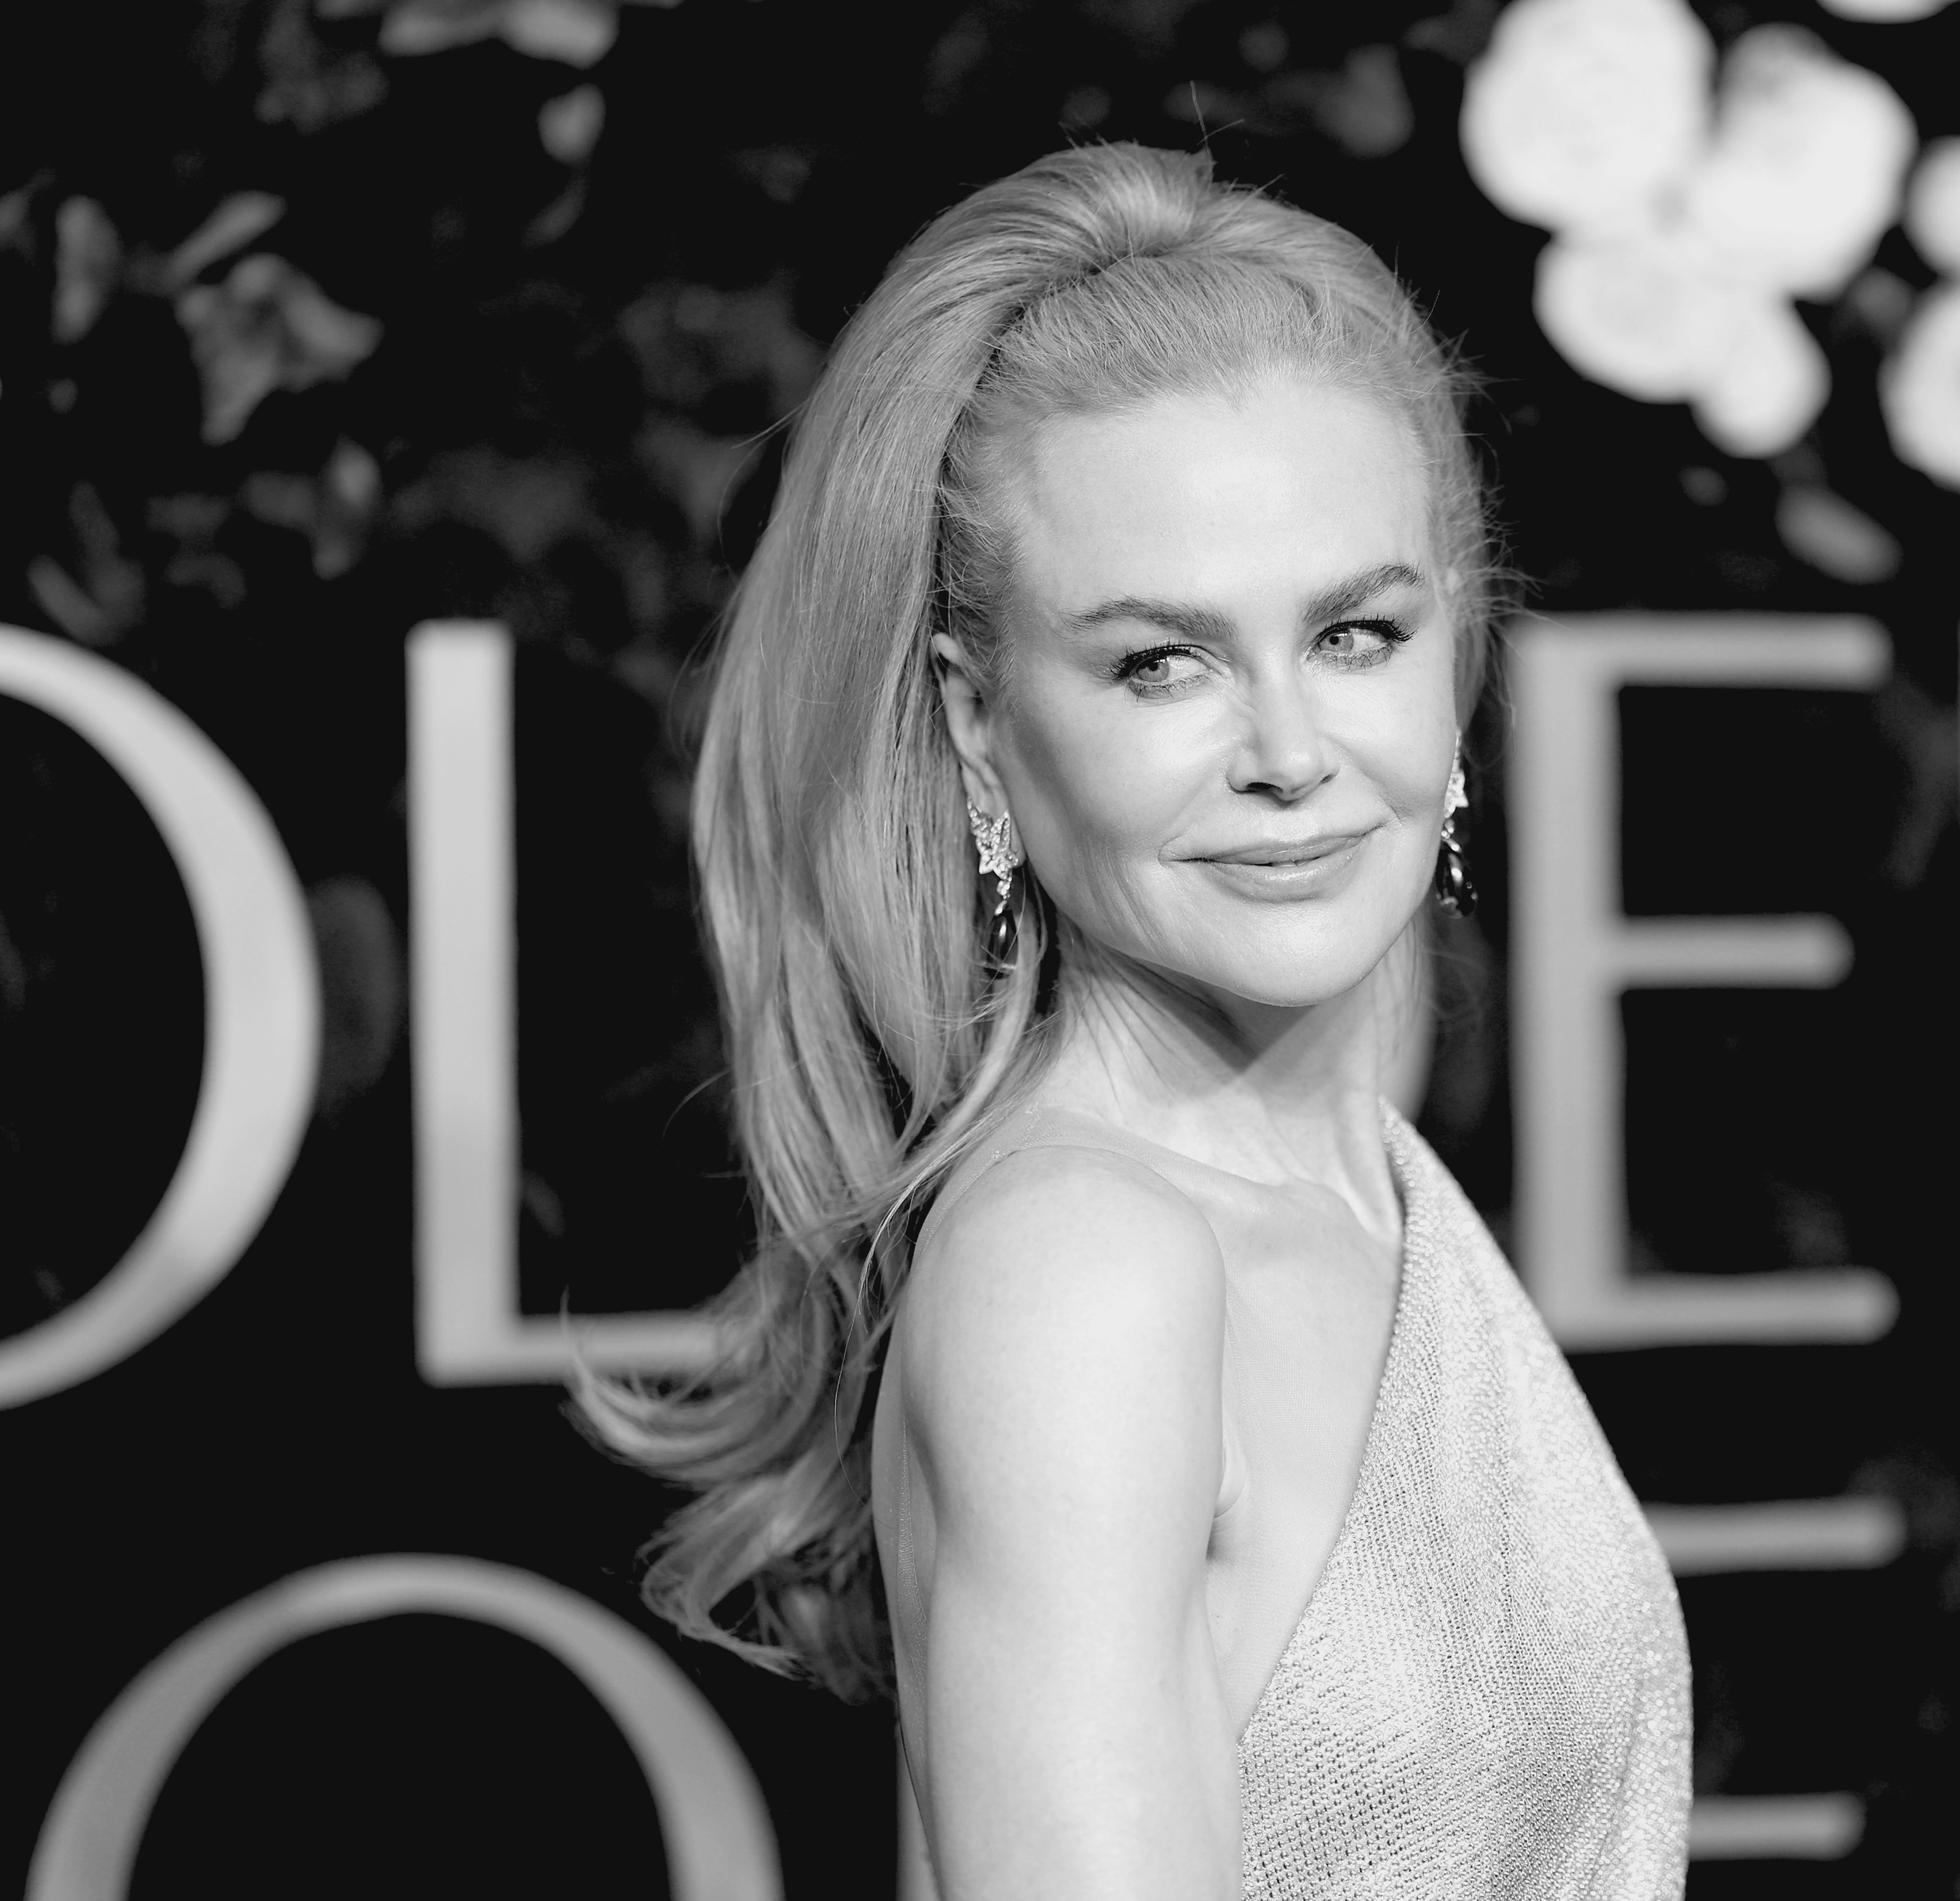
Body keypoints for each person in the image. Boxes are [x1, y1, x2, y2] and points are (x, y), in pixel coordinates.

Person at [581, 142, 1689, 1899]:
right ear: (977, 724)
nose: (1289, 752)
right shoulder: (1085, 1272)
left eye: (1355, 632)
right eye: (1161, 662)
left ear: (1457, 642)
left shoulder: (1358, 1181)